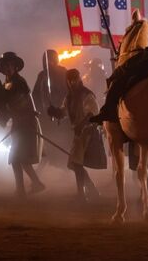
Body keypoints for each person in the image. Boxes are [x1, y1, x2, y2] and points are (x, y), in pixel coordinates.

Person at [48, 69, 106, 202]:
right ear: (67, 81)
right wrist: (54, 112)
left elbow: (93, 112)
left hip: (88, 132)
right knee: (75, 164)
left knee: (76, 163)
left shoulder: (87, 94)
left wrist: (81, 125)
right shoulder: (69, 97)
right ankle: (91, 189)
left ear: (79, 79)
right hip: (79, 134)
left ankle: (82, 194)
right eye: (70, 79)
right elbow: (63, 112)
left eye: (75, 79)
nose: (73, 82)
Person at [0, 52, 45, 198]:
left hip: (26, 122)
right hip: (19, 122)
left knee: (17, 158)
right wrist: (4, 113)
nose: (8, 68)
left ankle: (22, 189)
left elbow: (23, 102)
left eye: (10, 65)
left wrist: (8, 115)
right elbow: (6, 102)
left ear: (15, 66)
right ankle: (32, 185)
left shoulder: (19, 82)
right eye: (5, 65)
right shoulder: (7, 83)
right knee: (19, 159)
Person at [32, 49, 70, 168]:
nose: (48, 63)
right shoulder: (42, 75)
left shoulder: (63, 73)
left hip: (62, 116)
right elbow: (35, 95)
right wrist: (36, 110)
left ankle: (66, 170)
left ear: (55, 60)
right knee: (48, 144)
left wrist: (61, 110)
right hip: (45, 116)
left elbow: (69, 93)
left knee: (64, 144)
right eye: (46, 60)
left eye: (50, 60)